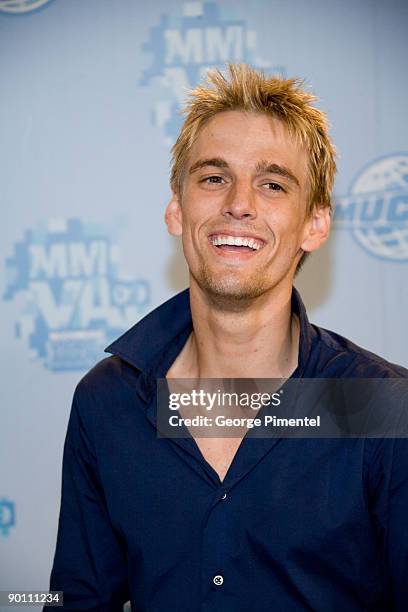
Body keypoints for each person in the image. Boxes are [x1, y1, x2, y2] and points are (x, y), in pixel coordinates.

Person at [47, 64, 408, 611]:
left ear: (315, 223)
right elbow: (76, 600)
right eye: (214, 178)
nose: (239, 203)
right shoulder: (109, 401)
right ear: (177, 209)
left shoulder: (382, 407)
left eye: (272, 184)